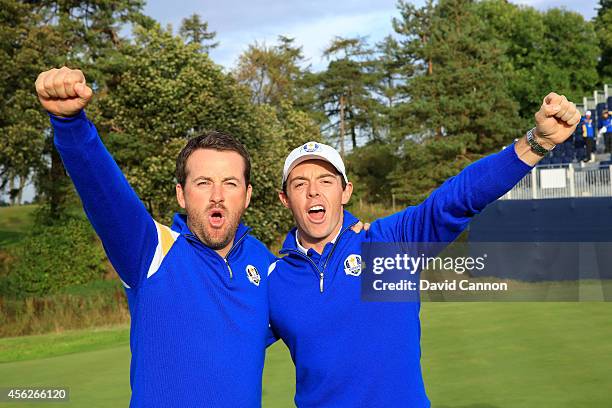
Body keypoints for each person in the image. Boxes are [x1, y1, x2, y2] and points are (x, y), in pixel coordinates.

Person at [267, 93, 581, 407]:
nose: (313, 192)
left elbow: (459, 197)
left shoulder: (389, 242)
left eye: (325, 180)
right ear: (285, 199)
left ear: (345, 191)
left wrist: (537, 141)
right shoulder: (270, 280)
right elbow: (227, 345)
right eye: (299, 184)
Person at [35, 67, 275, 407]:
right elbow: (105, 194)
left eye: (230, 184)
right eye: (203, 183)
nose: (217, 195)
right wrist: (71, 125)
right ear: (181, 193)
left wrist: (368, 243)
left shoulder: (265, 265)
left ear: (247, 195)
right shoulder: (152, 252)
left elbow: (331, 296)